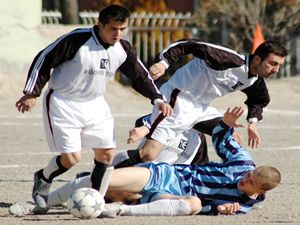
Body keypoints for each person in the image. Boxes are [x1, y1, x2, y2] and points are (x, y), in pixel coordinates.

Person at [14, 4, 172, 210]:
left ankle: (96, 201)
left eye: (123, 29)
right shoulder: (77, 40)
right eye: (113, 29)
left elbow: (139, 75)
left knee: (106, 154)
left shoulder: (122, 48)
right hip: (64, 102)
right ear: (99, 25)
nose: (118, 34)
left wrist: (157, 99)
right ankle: (43, 178)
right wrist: (31, 92)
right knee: (71, 159)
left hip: (95, 104)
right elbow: (44, 59)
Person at [9, 106, 281, 217]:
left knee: (195, 204)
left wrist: (220, 210)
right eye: (249, 174)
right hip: (170, 177)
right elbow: (224, 141)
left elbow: (211, 209)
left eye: (249, 182)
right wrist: (226, 124)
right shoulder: (243, 164)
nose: (244, 178)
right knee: (104, 180)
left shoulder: (244, 205)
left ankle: (120, 210)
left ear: (260, 191)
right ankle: (38, 205)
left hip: (171, 197)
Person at [117, 39, 287, 167]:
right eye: (273, 63)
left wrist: (253, 123)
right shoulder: (228, 59)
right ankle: (110, 167)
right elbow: (189, 45)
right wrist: (164, 63)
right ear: (257, 59)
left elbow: (260, 99)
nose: (276, 69)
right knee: (149, 154)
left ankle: (218, 181)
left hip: (201, 108)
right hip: (178, 100)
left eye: (279, 65)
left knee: (231, 137)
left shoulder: (253, 79)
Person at [112, 113, 209, 168]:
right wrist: (144, 128)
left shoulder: (199, 137)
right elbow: (144, 121)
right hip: (143, 172)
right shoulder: (167, 119)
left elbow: (200, 166)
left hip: (170, 183)